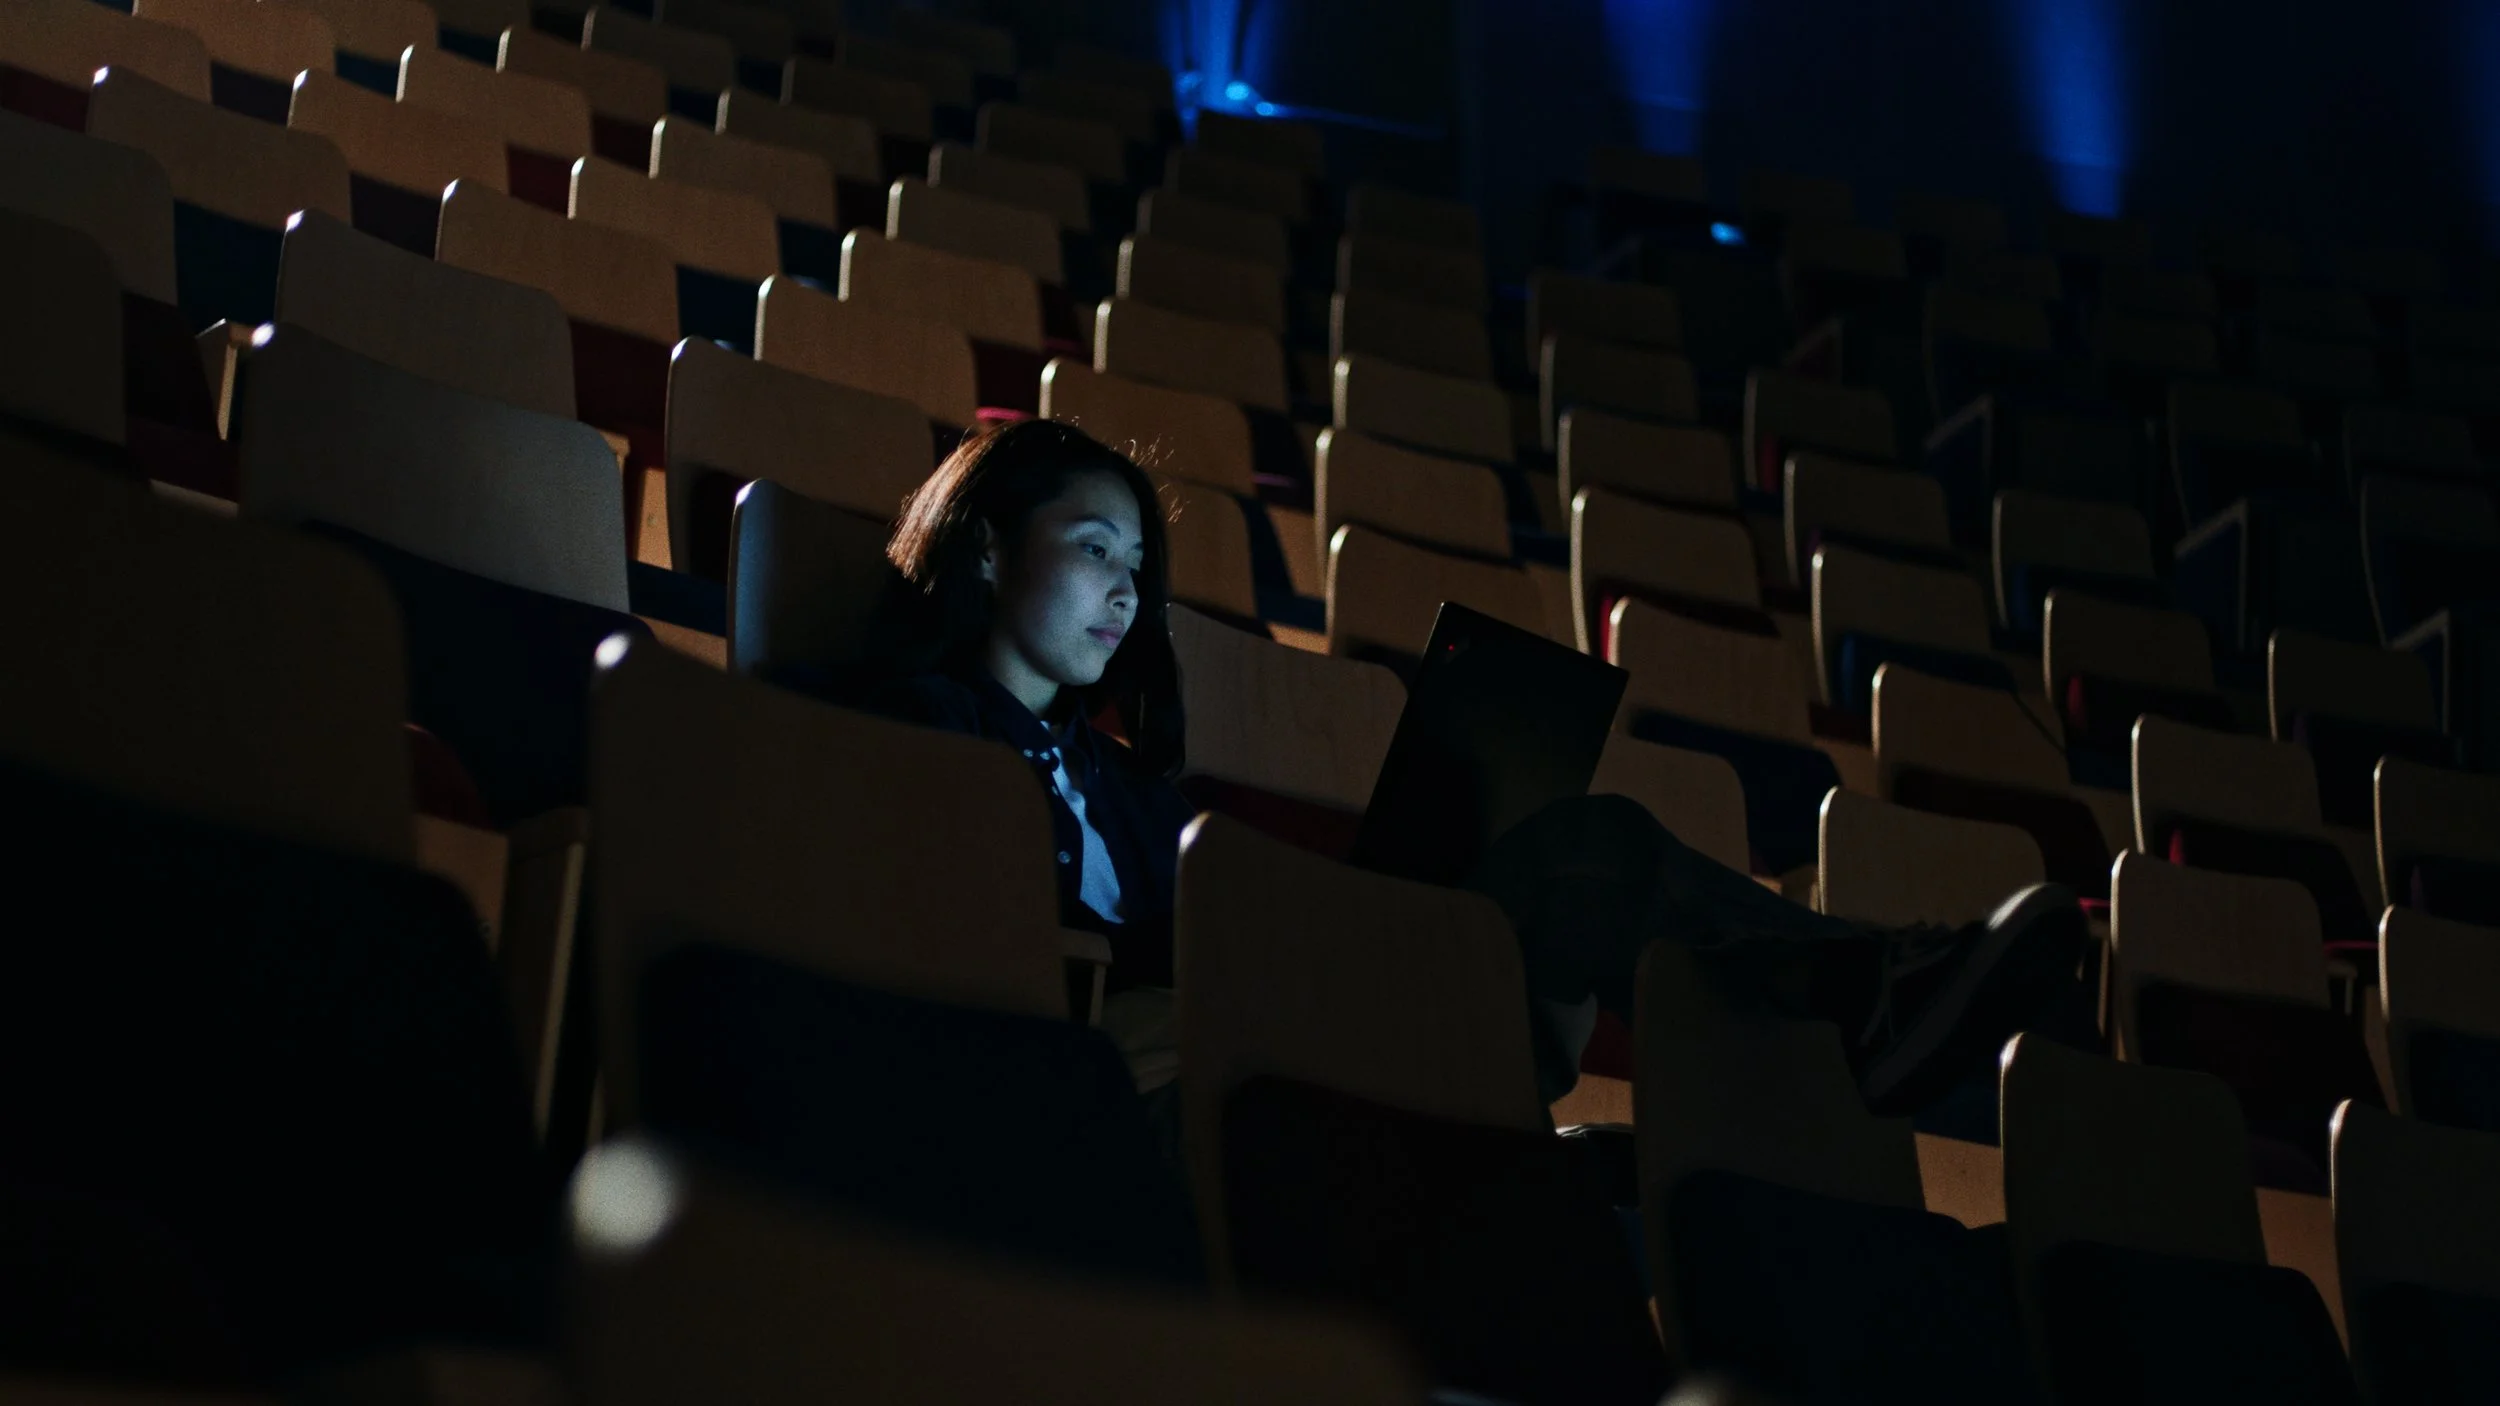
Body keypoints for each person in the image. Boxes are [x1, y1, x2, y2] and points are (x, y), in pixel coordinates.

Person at [847, 419, 2086, 1113]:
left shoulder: (1124, 786)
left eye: (1138, 564)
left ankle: (1863, 1015)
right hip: (1157, 1075)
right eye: (1092, 546)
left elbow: (1235, 919)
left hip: (1293, 1033)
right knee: (1585, 858)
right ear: (988, 549)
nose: (1126, 586)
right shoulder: (906, 726)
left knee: (1575, 850)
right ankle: (1867, 1009)